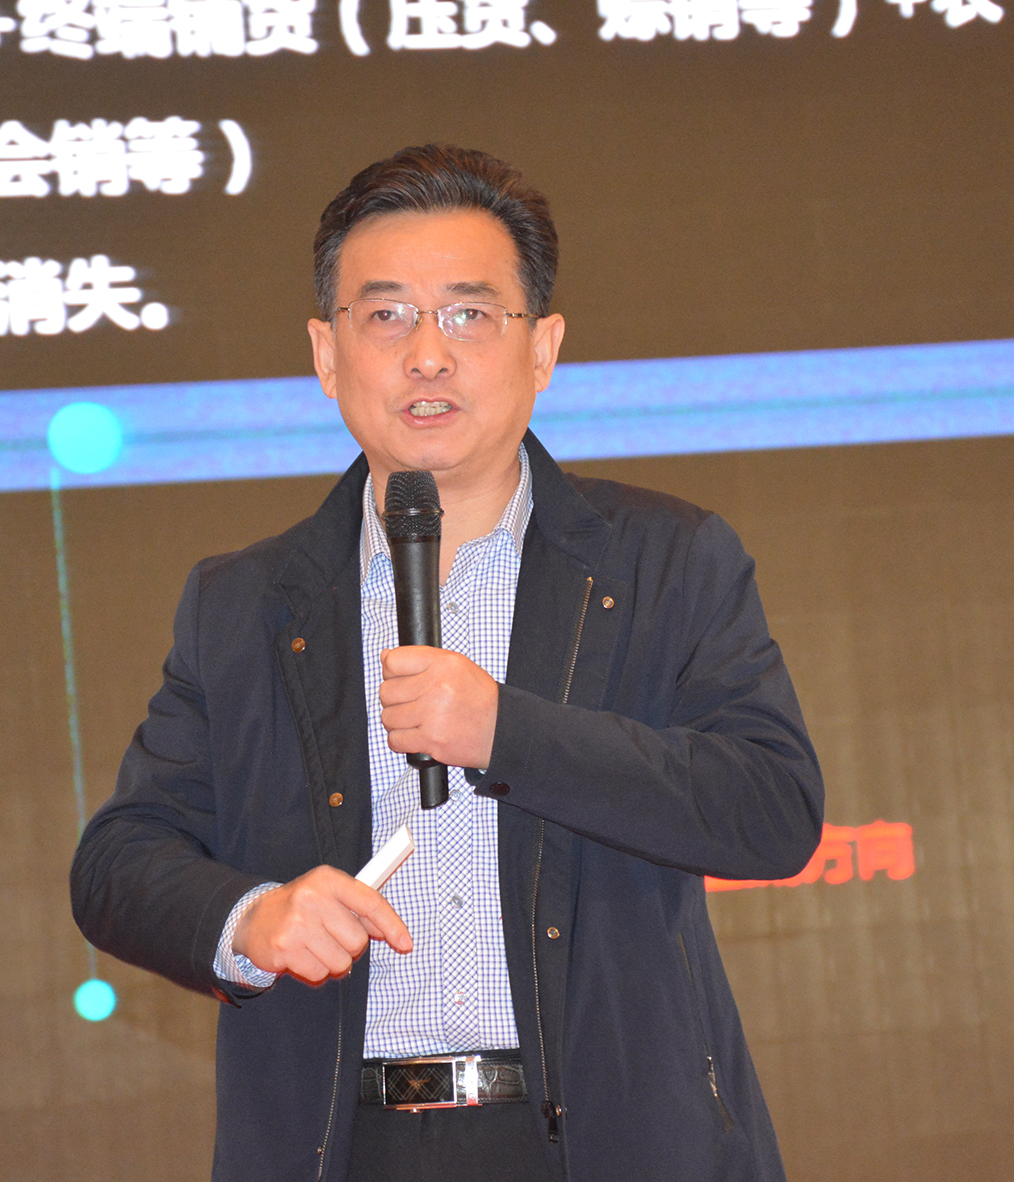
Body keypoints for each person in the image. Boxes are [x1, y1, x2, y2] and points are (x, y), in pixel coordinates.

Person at [70, 144, 824, 1182]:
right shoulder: (243, 604)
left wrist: (508, 734)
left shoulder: (663, 559)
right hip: (349, 1147)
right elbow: (118, 863)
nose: (427, 355)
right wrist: (254, 918)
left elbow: (771, 808)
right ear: (325, 354)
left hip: (610, 1142)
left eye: (469, 315)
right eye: (385, 316)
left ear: (542, 347)